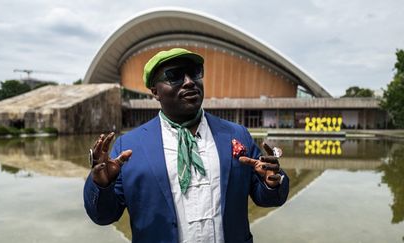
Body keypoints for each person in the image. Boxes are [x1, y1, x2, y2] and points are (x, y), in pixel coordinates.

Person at [83, 48, 289, 243]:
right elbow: (103, 216)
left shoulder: (236, 134)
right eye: (175, 76)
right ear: (155, 92)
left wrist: (272, 182)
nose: (190, 82)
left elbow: (268, 198)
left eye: (195, 73)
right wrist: (101, 185)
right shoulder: (129, 146)